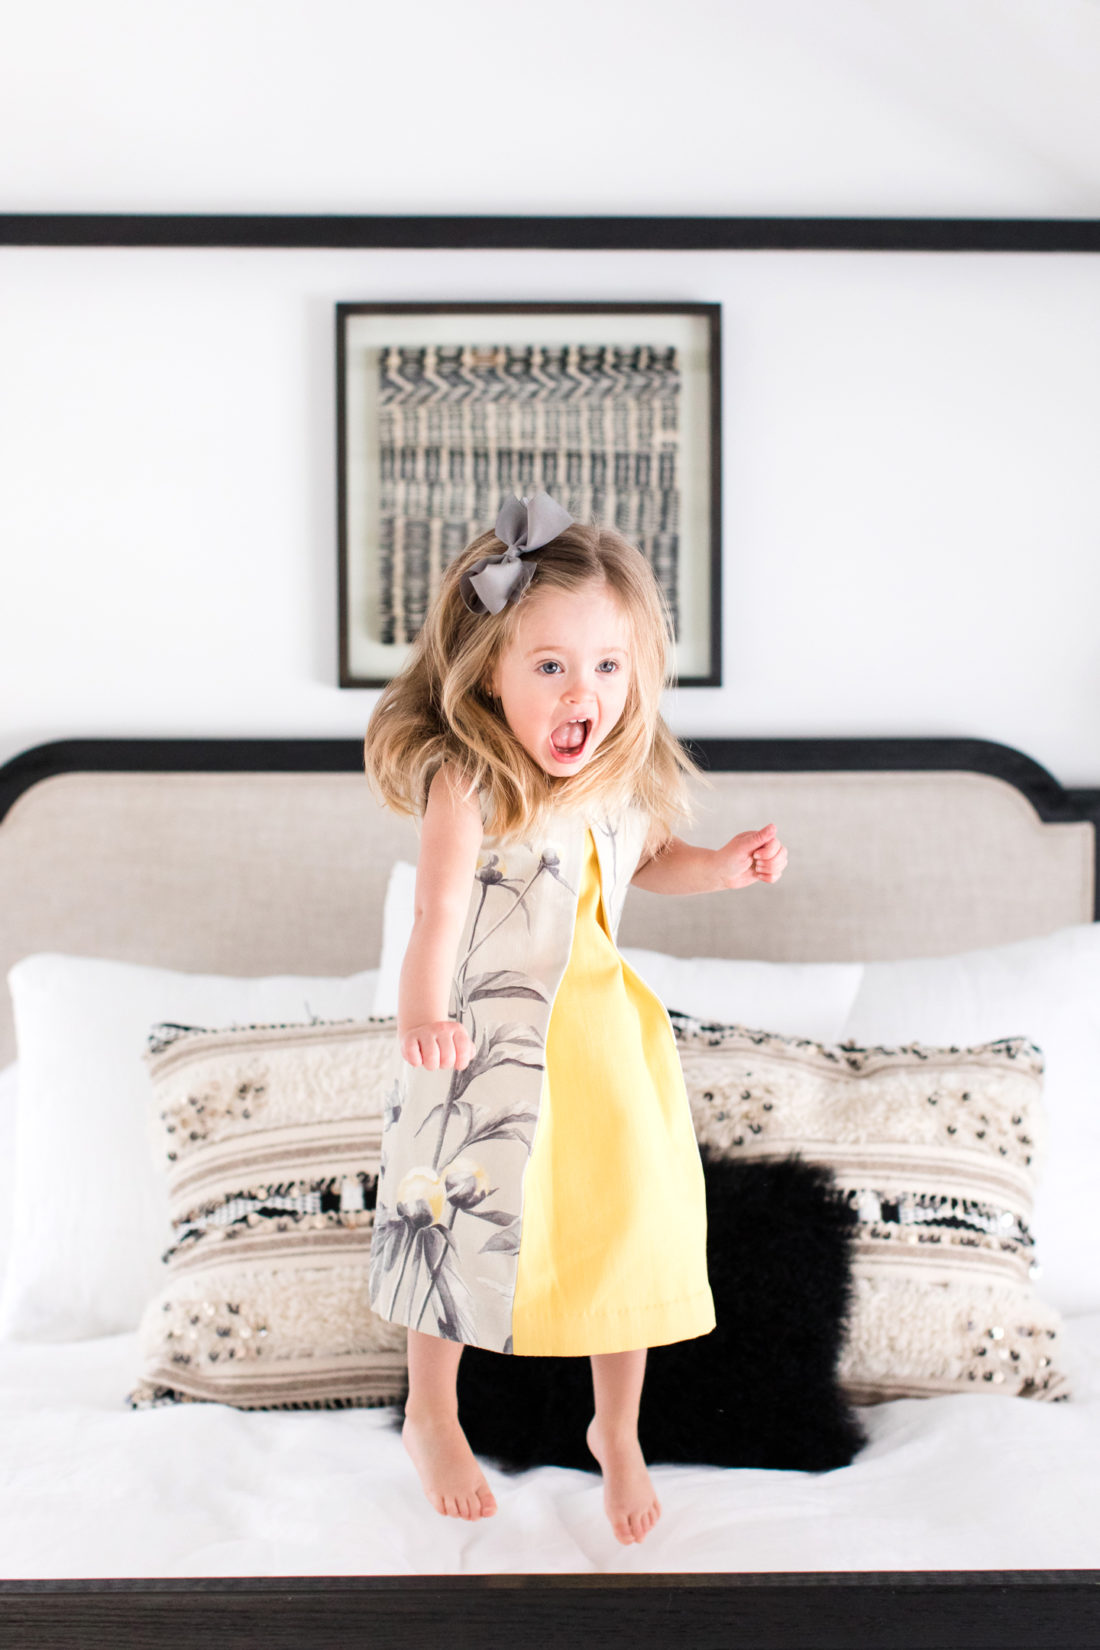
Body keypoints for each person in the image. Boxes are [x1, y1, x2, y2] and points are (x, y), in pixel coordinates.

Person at [362, 491, 788, 1545]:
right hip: (482, 1034)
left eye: (605, 666)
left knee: (623, 1223)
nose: (579, 692)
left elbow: (652, 863)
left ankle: (616, 1429)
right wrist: (420, 1011)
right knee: (450, 1212)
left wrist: (723, 867)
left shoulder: (618, 781)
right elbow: (437, 910)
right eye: (548, 665)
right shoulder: (470, 780)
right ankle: (430, 1409)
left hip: (602, 1039)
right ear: (489, 668)